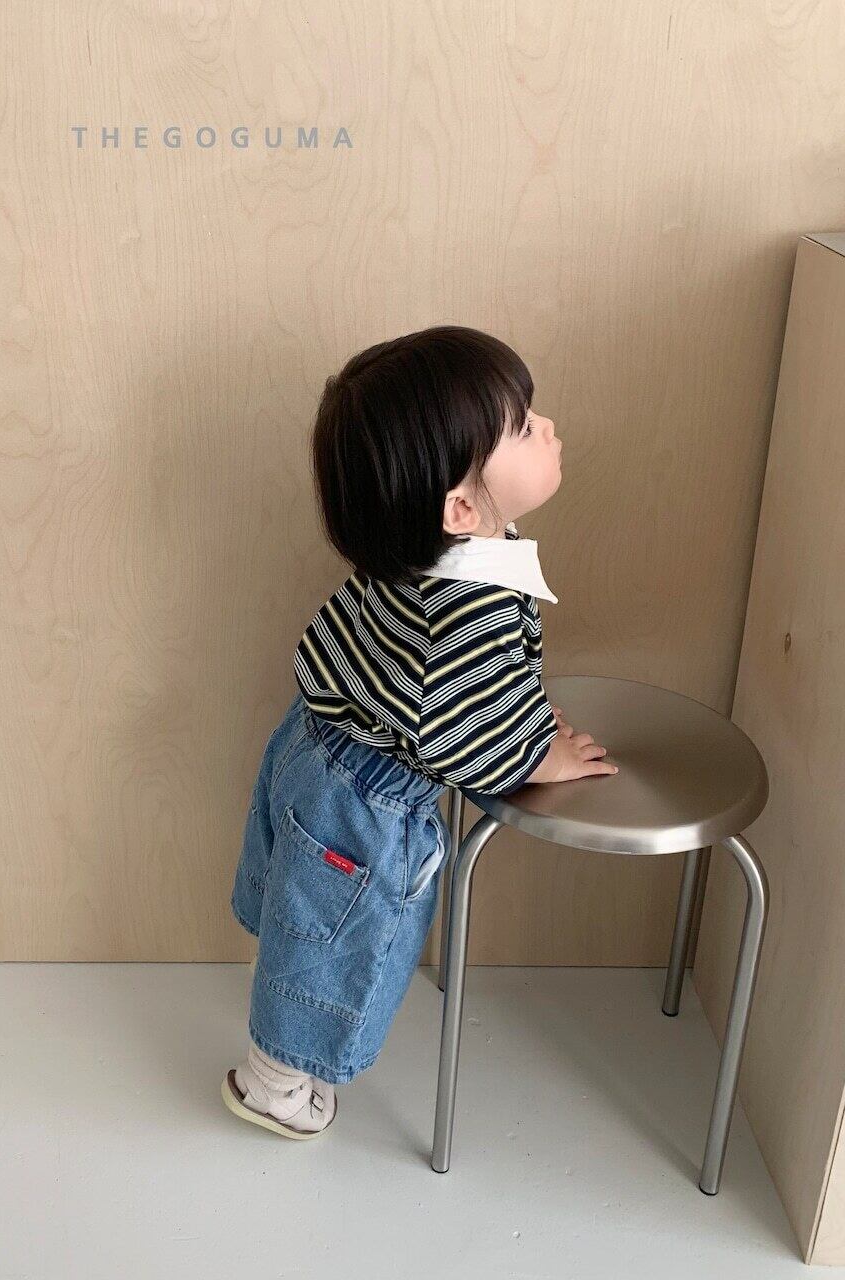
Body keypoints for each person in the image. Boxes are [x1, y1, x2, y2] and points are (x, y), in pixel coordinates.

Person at [222, 325, 618, 1139]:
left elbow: (464, 691)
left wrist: (519, 713)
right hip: (365, 807)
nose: (548, 428)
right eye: (524, 427)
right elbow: (470, 733)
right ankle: (271, 1085)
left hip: (316, 743)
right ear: (461, 507)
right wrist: (538, 752)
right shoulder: (467, 611)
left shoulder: (428, 548)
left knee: (307, 912)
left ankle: (285, 990)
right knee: (336, 945)